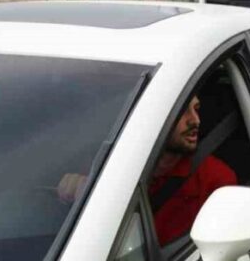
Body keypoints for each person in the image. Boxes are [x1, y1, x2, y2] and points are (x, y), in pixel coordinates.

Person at [58, 94, 237, 246]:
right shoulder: (108, 166)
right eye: (183, 111)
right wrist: (78, 195)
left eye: (196, 109)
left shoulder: (216, 179)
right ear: (152, 117)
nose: (195, 120)